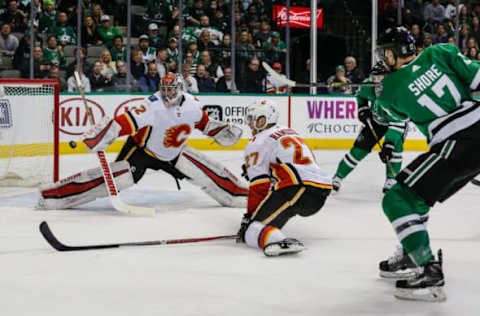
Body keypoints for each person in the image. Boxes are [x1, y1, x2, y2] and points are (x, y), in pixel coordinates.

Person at [375, 26, 480, 302]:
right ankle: (411, 254)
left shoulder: (390, 89)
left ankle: (427, 269)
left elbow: (388, 114)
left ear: (390, 53)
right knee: (419, 198)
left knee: (397, 199)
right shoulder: (439, 52)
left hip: (458, 142)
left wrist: (380, 88)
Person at [37, 73, 247, 210]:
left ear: (180, 89)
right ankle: (53, 196)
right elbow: (124, 122)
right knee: (118, 179)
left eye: (171, 90)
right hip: (142, 151)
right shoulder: (152, 105)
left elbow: (203, 123)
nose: (167, 94)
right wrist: (100, 136)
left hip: (174, 154)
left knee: (210, 172)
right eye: (164, 89)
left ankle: (240, 196)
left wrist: (220, 131)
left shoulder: (193, 105)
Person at [236, 99, 332, 257]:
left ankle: (282, 241)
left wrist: (250, 217)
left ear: (263, 119)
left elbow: (259, 187)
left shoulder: (256, 142)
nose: (250, 123)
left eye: (253, 119)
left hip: (296, 188)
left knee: (253, 230)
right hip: (319, 191)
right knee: (267, 225)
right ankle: (273, 232)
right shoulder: (288, 131)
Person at [331, 61, 407, 193]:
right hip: (376, 121)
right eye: (374, 77)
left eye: (380, 77)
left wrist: (389, 144)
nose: (376, 80)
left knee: (394, 150)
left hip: (396, 123)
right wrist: (363, 108)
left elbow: (398, 123)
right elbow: (360, 96)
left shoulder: (397, 91)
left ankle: (391, 179)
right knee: (359, 149)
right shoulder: (368, 84)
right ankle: (338, 177)